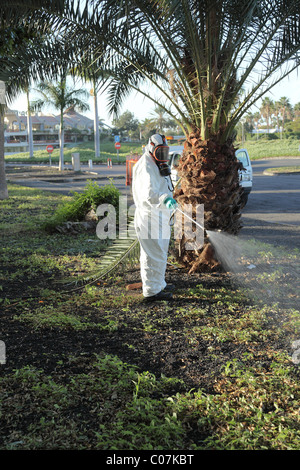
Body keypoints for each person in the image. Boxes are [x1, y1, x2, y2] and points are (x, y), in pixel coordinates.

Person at [132, 134, 177, 301]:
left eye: (165, 152)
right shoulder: (145, 165)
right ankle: (151, 291)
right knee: (153, 254)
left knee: (161, 252)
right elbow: (148, 194)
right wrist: (164, 199)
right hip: (149, 217)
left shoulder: (155, 164)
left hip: (159, 215)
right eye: (160, 152)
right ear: (151, 148)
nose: (163, 156)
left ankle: (159, 283)